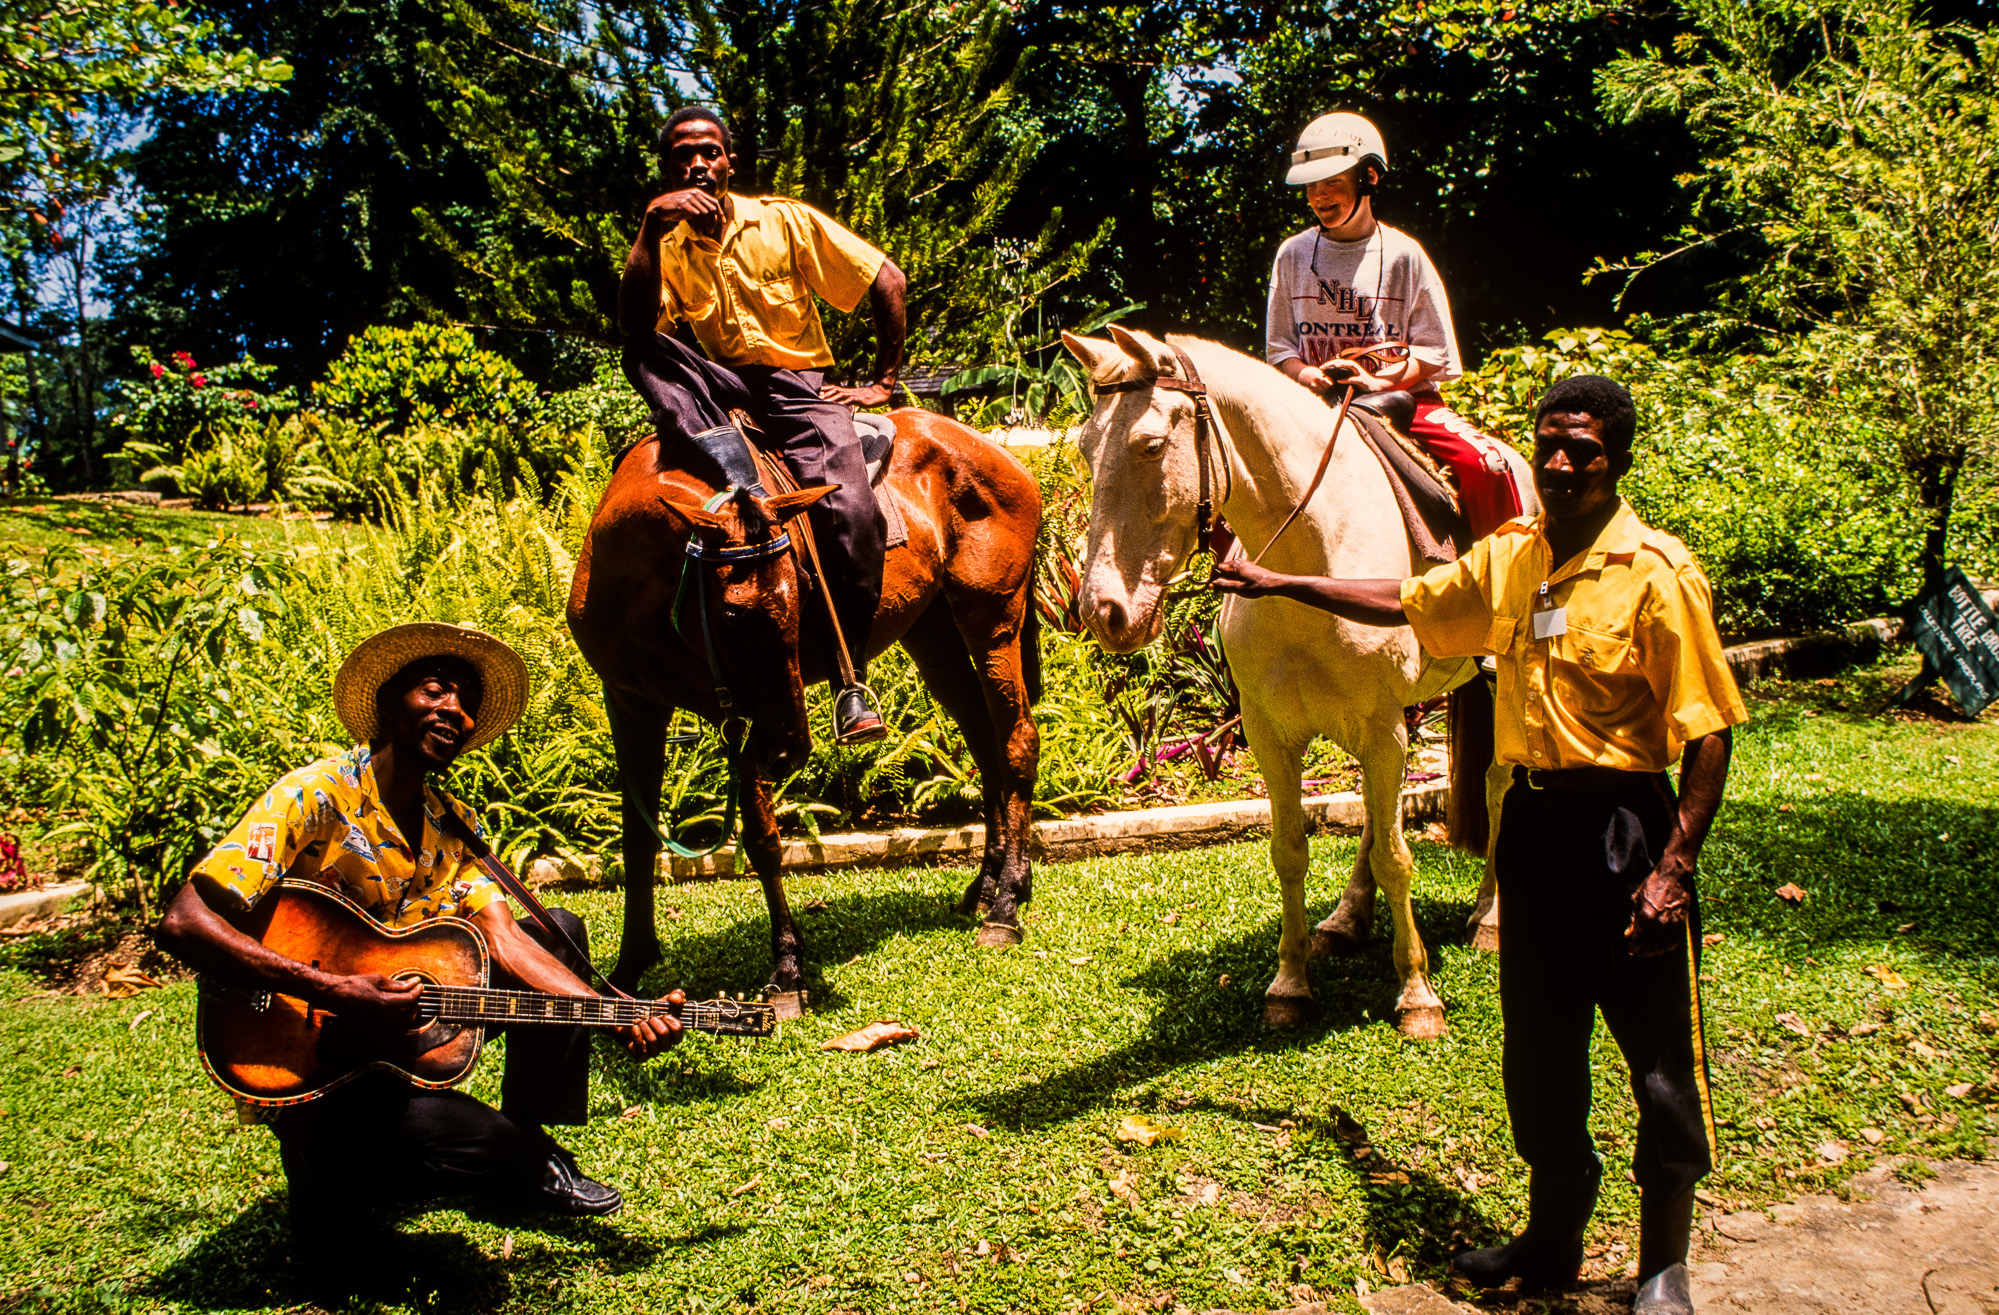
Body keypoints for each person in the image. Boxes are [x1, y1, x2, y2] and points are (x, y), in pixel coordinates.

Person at [1212, 376, 1745, 1315]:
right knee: (1538, 1049)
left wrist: (1674, 867)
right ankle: (1550, 1241)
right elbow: (1407, 598)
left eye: (1579, 447)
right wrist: (1277, 580)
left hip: (1625, 832)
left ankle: (1665, 1262)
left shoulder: (1657, 572)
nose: (1557, 461)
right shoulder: (1513, 557)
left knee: (1658, 1056)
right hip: (1533, 831)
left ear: (1614, 456)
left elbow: (1708, 729)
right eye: (1546, 442)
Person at [158, 623, 683, 1259]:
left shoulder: (448, 819)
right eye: (435, 691)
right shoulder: (315, 794)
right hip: (307, 1041)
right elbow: (185, 923)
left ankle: (518, 1137)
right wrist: (335, 988)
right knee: (465, 1166)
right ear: (386, 705)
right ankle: (330, 1158)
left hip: (391, 1031)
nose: (454, 711)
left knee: (559, 934)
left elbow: (504, 939)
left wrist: (615, 1015)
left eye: (466, 703)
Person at [618, 105, 908, 744]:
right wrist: (648, 225)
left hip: (794, 386)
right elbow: (638, 330)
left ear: (729, 162)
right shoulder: (664, 245)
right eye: (681, 156)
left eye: (709, 152)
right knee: (641, 347)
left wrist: (882, 382)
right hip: (716, 391)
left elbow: (887, 278)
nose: (696, 164)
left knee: (854, 510)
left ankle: (849, 676)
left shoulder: (784, 221)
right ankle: (719, 450)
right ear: (669, 169)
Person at [1266, 111, 1523, 539]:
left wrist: (1375, 382)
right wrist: (1308, 373)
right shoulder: (1292, 254)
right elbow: (1280, 349)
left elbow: (1432, 353)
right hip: (1313, 403)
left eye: (1332, 182)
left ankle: (1515, 584)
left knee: (1488, 465)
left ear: (1368, 177)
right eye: (1311, 185)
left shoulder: (1406, 254)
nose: (1319, 196)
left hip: (1402, 403)